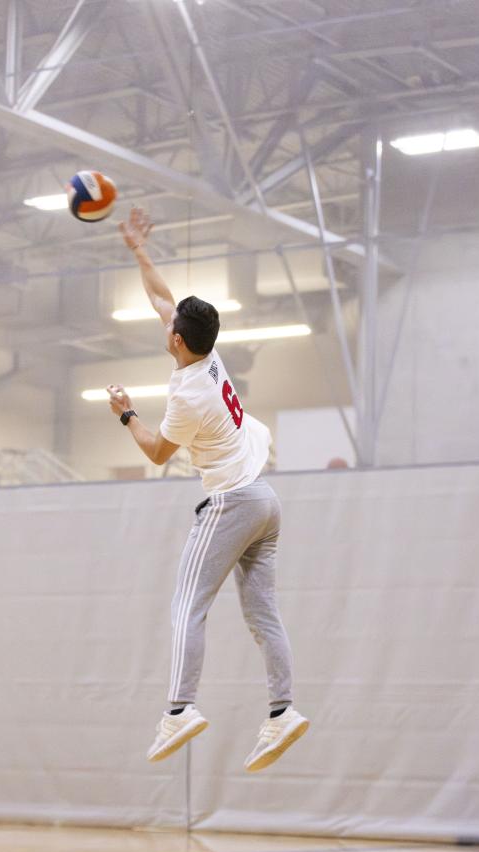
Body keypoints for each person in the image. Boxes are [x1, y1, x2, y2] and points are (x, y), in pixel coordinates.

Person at [107, 207, 308, 772]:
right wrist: (138, 252)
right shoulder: (209, 354)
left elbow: (156, 452)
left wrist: (125, 414)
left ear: (176, 340)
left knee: (186, 606)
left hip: (232, 504)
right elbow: (162, 298)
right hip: (265, 500)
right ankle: (283, 711)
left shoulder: (186, 395)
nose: (164, 321)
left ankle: (179, 709)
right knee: (262, 613)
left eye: (168, 325)